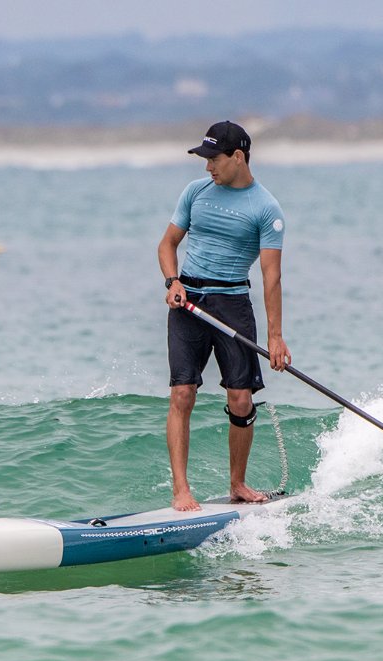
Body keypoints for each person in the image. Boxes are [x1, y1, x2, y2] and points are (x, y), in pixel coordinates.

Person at [158, 120, 291, 512]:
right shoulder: (195, 193)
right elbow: (167, 244)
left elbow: (271, 277)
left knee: (240, 398)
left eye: (213, 159)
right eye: (204, 158)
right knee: (183, 393)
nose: (207, 167)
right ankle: (181, 490)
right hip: (189, 301)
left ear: (238, 157)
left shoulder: (266, 209)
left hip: (232, 303)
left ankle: (237, 483)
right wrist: (172, 282)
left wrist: (276, 337)